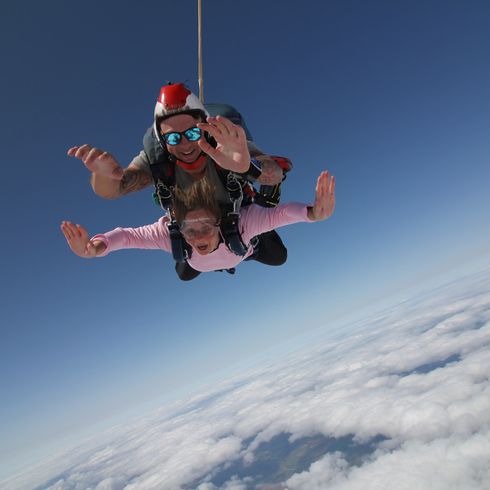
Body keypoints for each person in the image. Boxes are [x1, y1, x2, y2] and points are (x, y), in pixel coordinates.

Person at [67, 82, 292, 279]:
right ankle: (222, 256)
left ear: (204, 127)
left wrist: (247, 166)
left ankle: (250, 243)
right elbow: (115, 189)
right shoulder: (156, 160)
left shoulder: (225, 145)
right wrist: (103, 175)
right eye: (173, 138)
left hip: (240, 220)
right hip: (192, 232)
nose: (184, 144)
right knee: (185, 272)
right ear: (162, 141)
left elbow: (275, 172)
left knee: (278, 256)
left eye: (192, 133)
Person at [60, 171, 335, 279]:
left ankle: (262, 196)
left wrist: (312, 213)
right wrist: (95, 248)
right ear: (178, 226)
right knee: (185, 273)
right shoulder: (171, 235)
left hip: (247, 247)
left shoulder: (241, 224)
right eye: (189, 230)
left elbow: (283, 215)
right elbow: (127, 236)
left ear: (220, 221)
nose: (198, 235)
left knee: (279, 256)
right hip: (224, 255)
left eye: (205, 226)